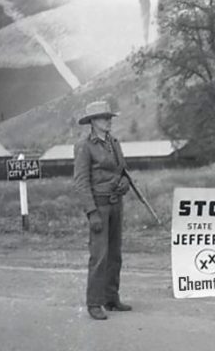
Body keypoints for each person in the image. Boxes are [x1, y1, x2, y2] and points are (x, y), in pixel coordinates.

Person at [73, 101, 132, 320]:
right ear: (93, 122)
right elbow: (80, 182)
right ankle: (94, 303)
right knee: (99, 256)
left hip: (116, 203)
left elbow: (122, 170)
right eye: (103, 117)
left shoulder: (114, 143)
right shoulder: (84, 146)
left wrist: (124, 182)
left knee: (115, 254)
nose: (108, 121)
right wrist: (91, 212)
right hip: (99, 205)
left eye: (109, 117)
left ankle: (111, 298)